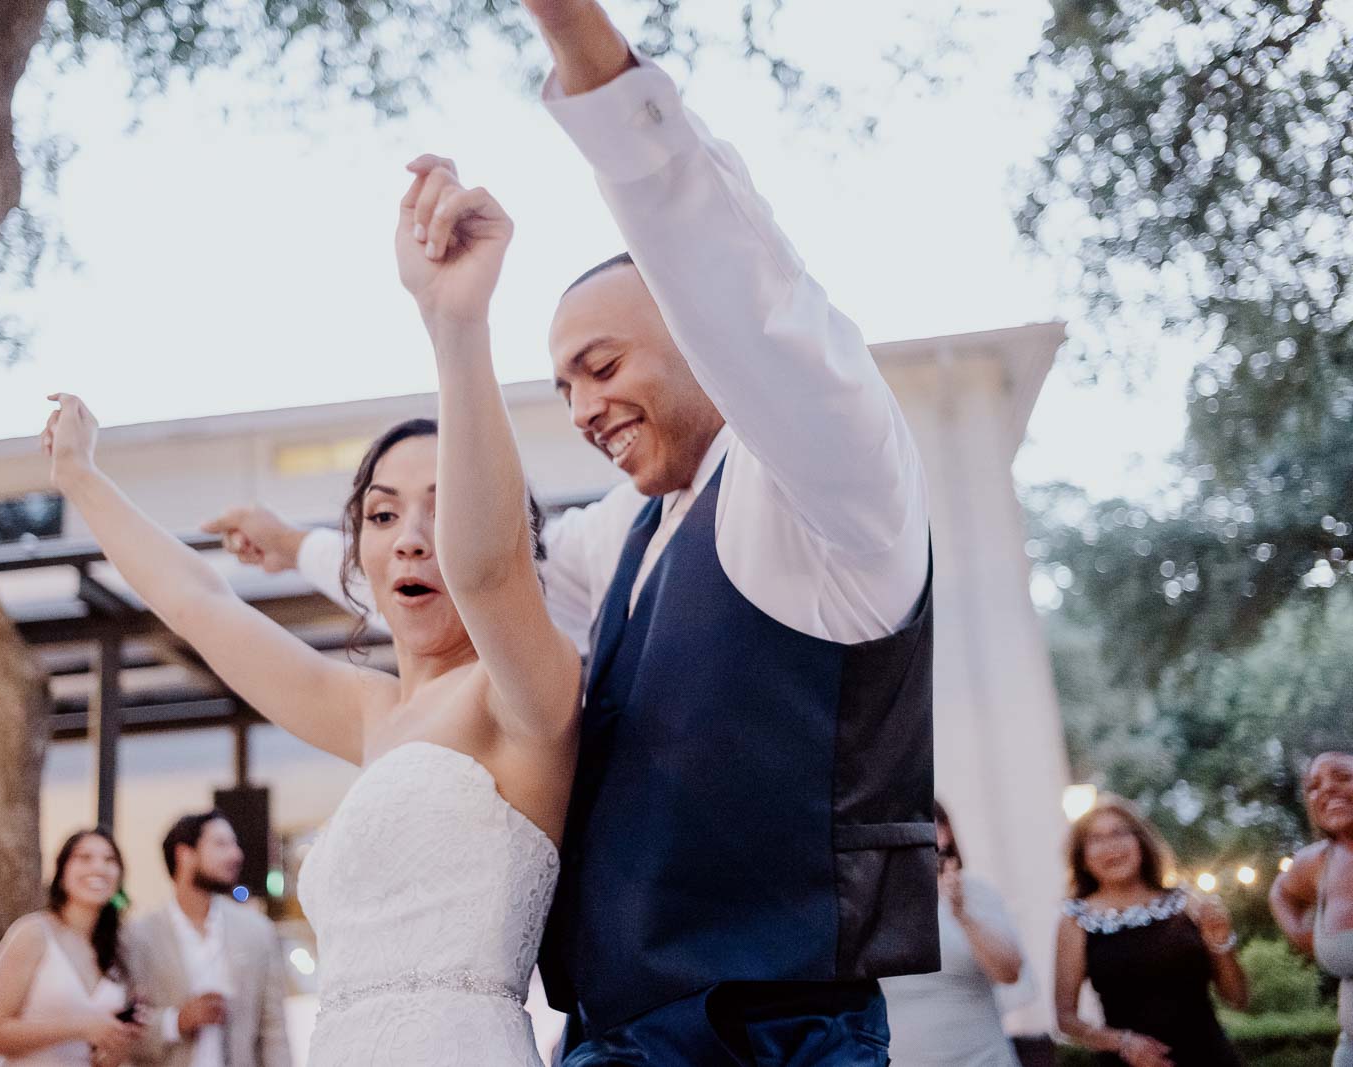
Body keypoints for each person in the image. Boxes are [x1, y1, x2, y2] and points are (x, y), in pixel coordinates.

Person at [210, 1, 937, 1061]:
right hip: (602, 1036)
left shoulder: (829, 489)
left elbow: (737, 277)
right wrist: (305, 548)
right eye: (562, 386)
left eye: (602, 366)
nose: (583, 406)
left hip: (780, 1036)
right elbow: (471, 573)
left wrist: (578, 43)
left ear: (697, 338)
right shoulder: (625, 540)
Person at [40, 146, 581, 1066]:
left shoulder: (523, 692)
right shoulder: (370, 711)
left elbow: (488, 574)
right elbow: (205, 604)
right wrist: (82, 483)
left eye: (443, 505)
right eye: (382, 513)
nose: (412, 536)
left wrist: (455, 324)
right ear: (360, 554)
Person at [1054, 796, 1246, 1066]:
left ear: (1141, 842)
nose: (1111, 846)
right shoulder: (1076, 921)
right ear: (1082, 858)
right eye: (1096, 839)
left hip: (1209, 1057)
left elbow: (1238, 998)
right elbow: (1066, 1019)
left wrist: (1221, 942)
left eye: (1119, 833)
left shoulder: (1187, 904)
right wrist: (1122, 1042)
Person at [122, 811, 291, 1067]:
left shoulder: (256, 931)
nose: (236, 855)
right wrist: (178, 1021)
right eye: (221, 844)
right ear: (184, 854)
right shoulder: (138, 937)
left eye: (235, 845)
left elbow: (274, 1029)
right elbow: (126, 1030)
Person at [0, 828, 143, 1067]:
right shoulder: (33, 933)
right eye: (84, 858)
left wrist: (116, 1047)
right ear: (62, 873)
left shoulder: (119, 950)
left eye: (109, 860)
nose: (99, 867)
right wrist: (80, 1026)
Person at [881, 801, 1024, 1066]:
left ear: (944, 832)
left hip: (982, 1059)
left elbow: (1009, 972)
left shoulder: (974, 891)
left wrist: (962, 915)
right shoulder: (872, 901)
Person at [1270, 749, 1353, 1067]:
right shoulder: (1318, 863)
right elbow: (1280, 891)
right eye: (1313, 786)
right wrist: (1302, 935)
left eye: (1343, 777)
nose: (1327, 789)